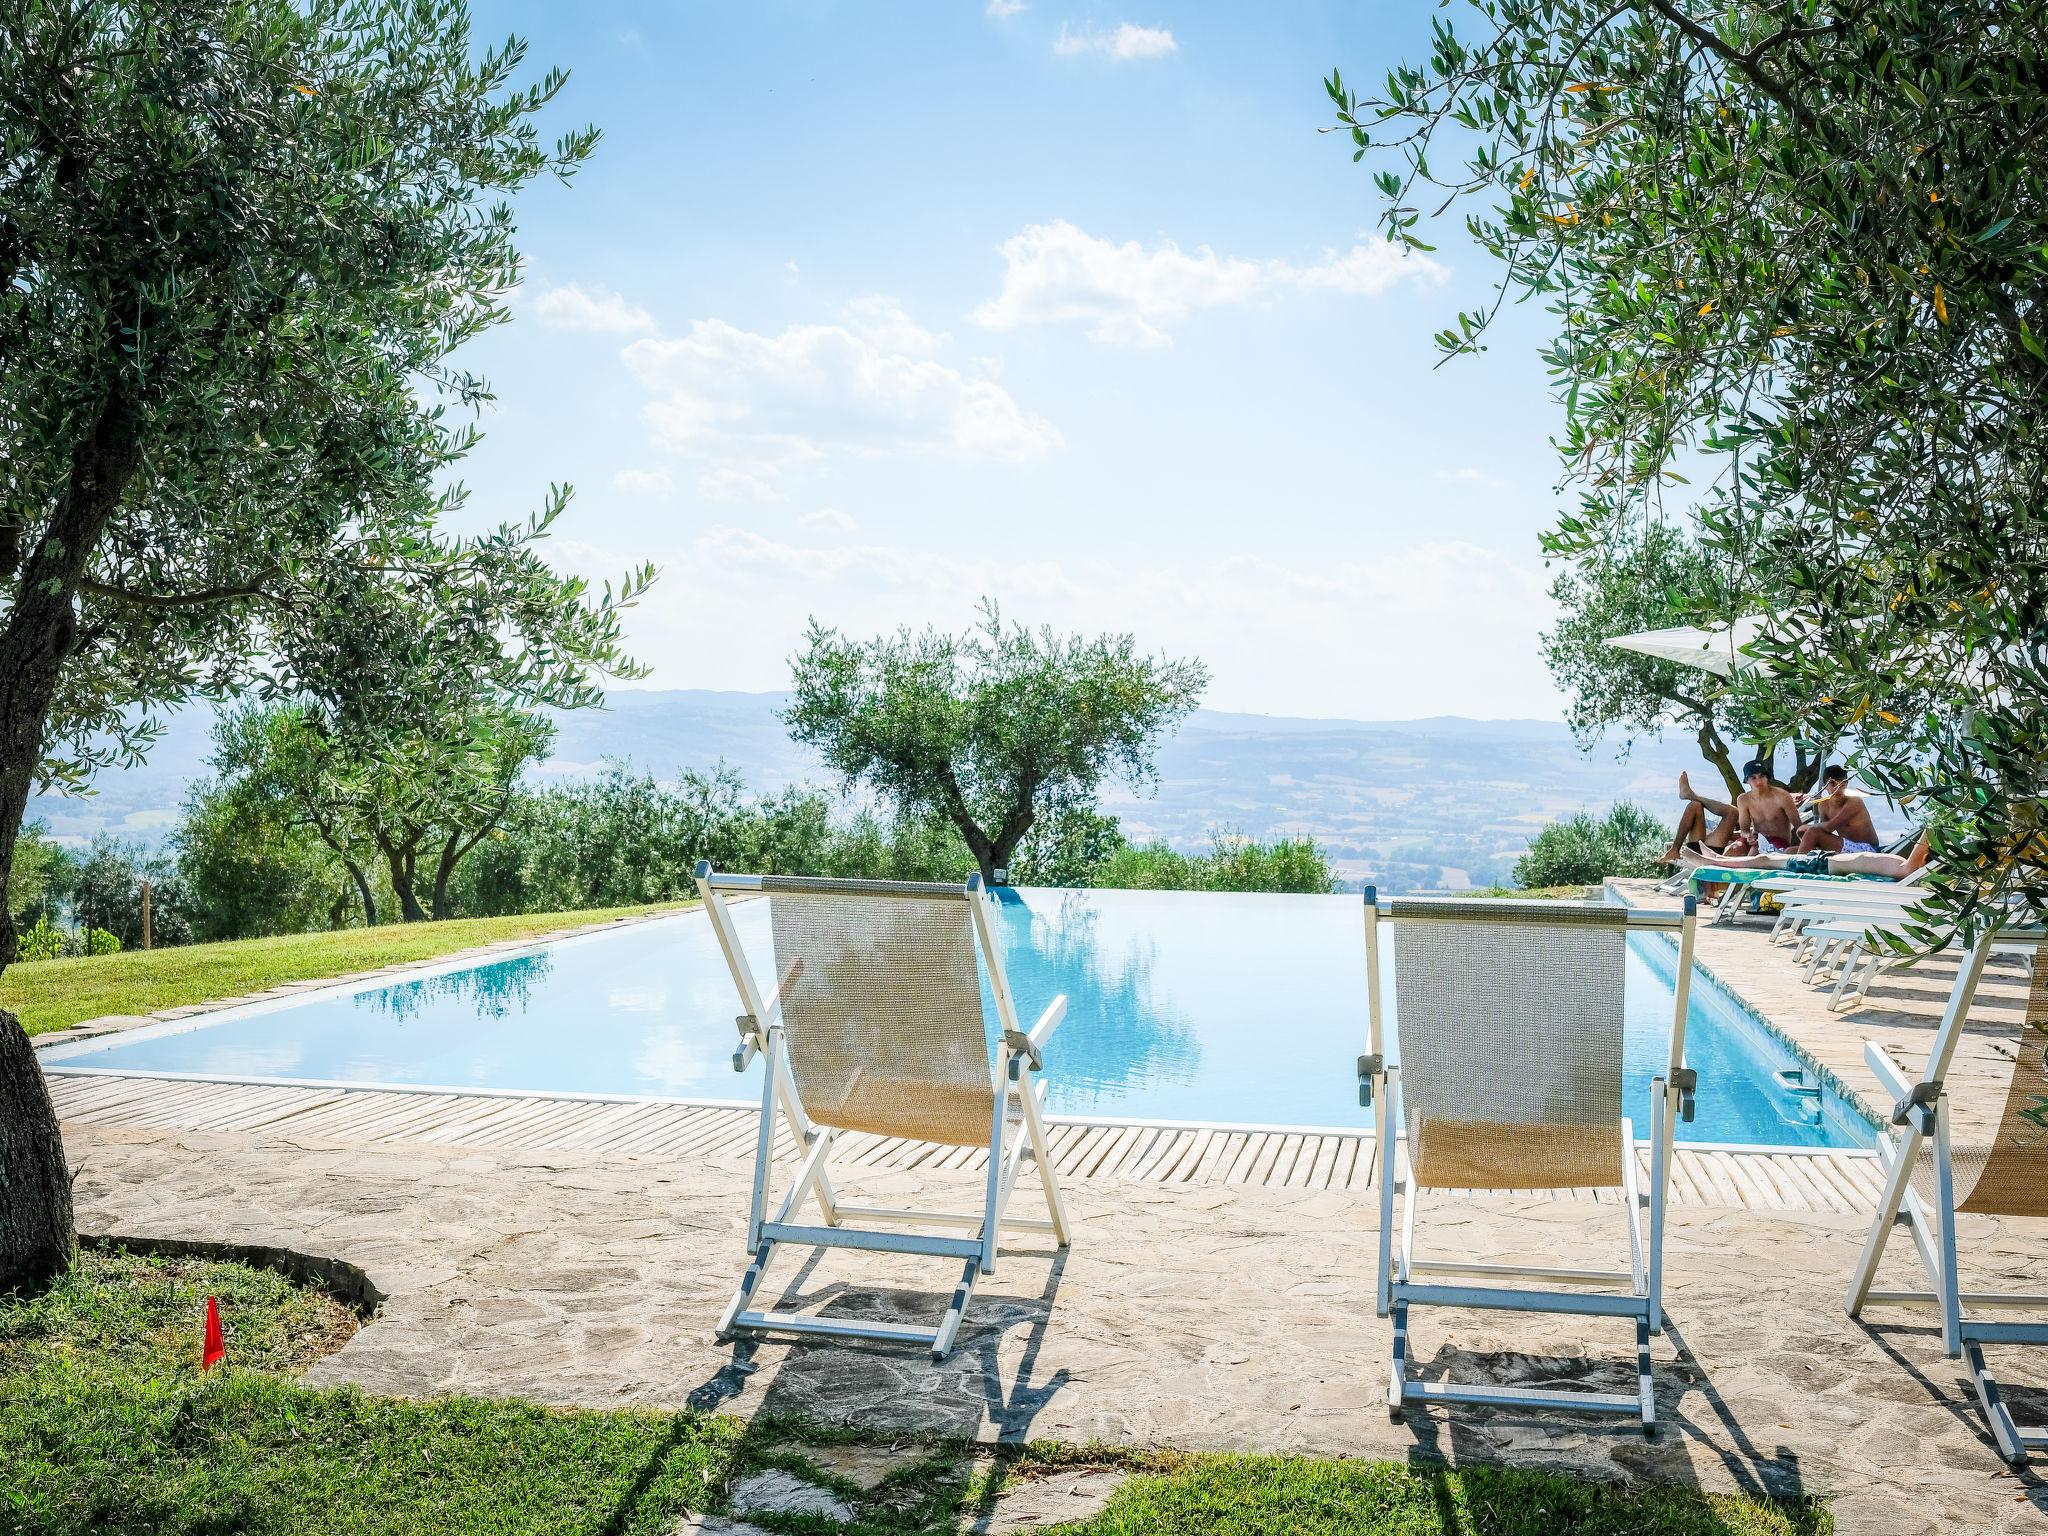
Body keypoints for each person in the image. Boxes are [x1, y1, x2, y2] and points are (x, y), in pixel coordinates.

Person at [1678, 830, 1929, 882]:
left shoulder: (1903, 869)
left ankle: (1714, 861)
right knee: (1765, 860)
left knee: (1764, 860)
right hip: (1822, 861)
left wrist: (1931, 831)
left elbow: (1912, 864)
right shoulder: (1899, 865)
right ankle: (1717, 858)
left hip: (1820, 866)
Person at [1795, 765, 1881, 854]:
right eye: (1832, 784)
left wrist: (1807, 828)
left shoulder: (1855, 801)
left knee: (1813, 832)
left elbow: (1829, 827)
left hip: (1868, 849)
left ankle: (1797, 865)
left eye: (1842, 784)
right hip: (1845, 848)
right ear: (1824, 786)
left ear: (1847, 783)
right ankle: (1800, 861)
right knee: (1790, 850)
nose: (1838, 788)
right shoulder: (1823, 805)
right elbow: (1823, 832)